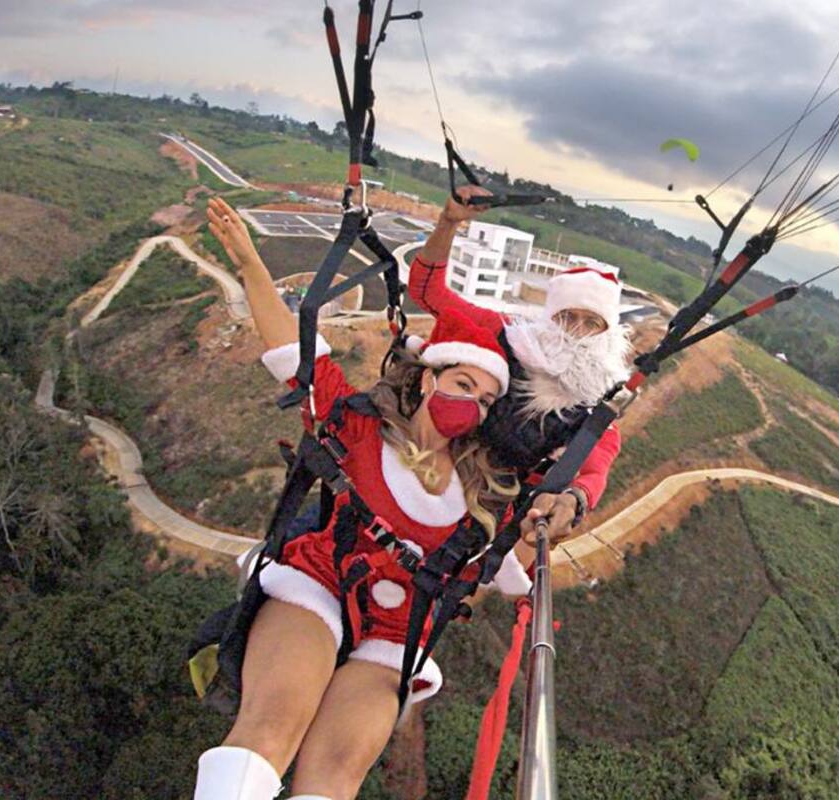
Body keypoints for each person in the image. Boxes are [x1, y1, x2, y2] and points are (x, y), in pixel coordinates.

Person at [194, 198, 529, 800]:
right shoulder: (361, 429)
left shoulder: (483, 496)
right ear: (428, 377)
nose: (471, 406)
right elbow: (298, 355)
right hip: (320, 584)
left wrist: (563, 502)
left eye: (484, 401)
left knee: (334, 777)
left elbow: (509, 565)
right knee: (272, 727)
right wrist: (249, 264)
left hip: (396, 635)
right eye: (463, 384)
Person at [407, 186, 628, 548]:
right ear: (550, 315)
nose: (576, 331)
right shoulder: (511, 336)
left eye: (591, 322)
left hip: (489, 506)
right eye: (567, 317)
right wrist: (448, 223)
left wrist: (574, 500)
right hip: (433, 459)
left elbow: (595, 468)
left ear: (607, 333)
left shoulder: (597, 402)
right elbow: (427, 292)